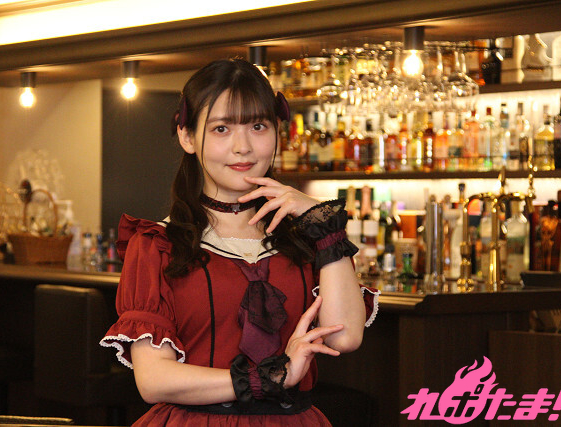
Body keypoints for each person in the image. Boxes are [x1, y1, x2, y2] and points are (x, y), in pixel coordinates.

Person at [100, 58, 379, 426]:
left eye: (258, 126)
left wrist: (322, 221)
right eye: (221, 129)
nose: (243, 147)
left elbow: (344, 337)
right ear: (187, 137)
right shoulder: (157, 245)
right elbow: (153, 380)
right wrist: (273, 377)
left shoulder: (309, 236)